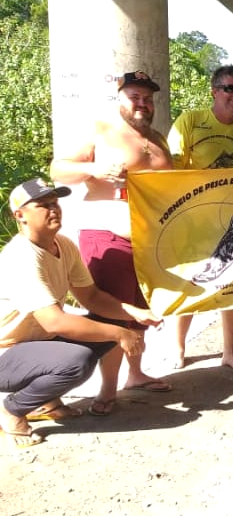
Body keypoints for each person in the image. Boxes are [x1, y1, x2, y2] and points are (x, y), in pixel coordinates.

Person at [0, 179, 161, 447]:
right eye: (43, 205)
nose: (54, 209)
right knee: (76, 361)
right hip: (7, 352)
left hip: (36, 345)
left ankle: (46, 403)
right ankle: (12, 411)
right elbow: (54, 322)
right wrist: (120, 333)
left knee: (113, 321)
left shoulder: (61, 244)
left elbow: (92, 296)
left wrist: (135, 314)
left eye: (55, 203)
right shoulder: (21, 257)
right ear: (20, 215)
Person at [48, 71, 173, 409]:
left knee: (141, 311)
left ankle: (136, 373)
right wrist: (94, 171)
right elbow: (57, 168)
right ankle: (108, 390)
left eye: (148, 99)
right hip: (108, 236)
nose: (143, 104)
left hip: (150, 241)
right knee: (113, 313)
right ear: (120, 98)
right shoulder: (100, 131)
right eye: (135, 97)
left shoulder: (159, 139)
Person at [167, 65, 233, 372]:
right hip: (193, 221)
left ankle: (228, 351)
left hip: (231, 220)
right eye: (229, 88)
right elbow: (168, 168)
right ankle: (178, 349)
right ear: (214, 90)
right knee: (190, 283)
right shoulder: (190, 121)